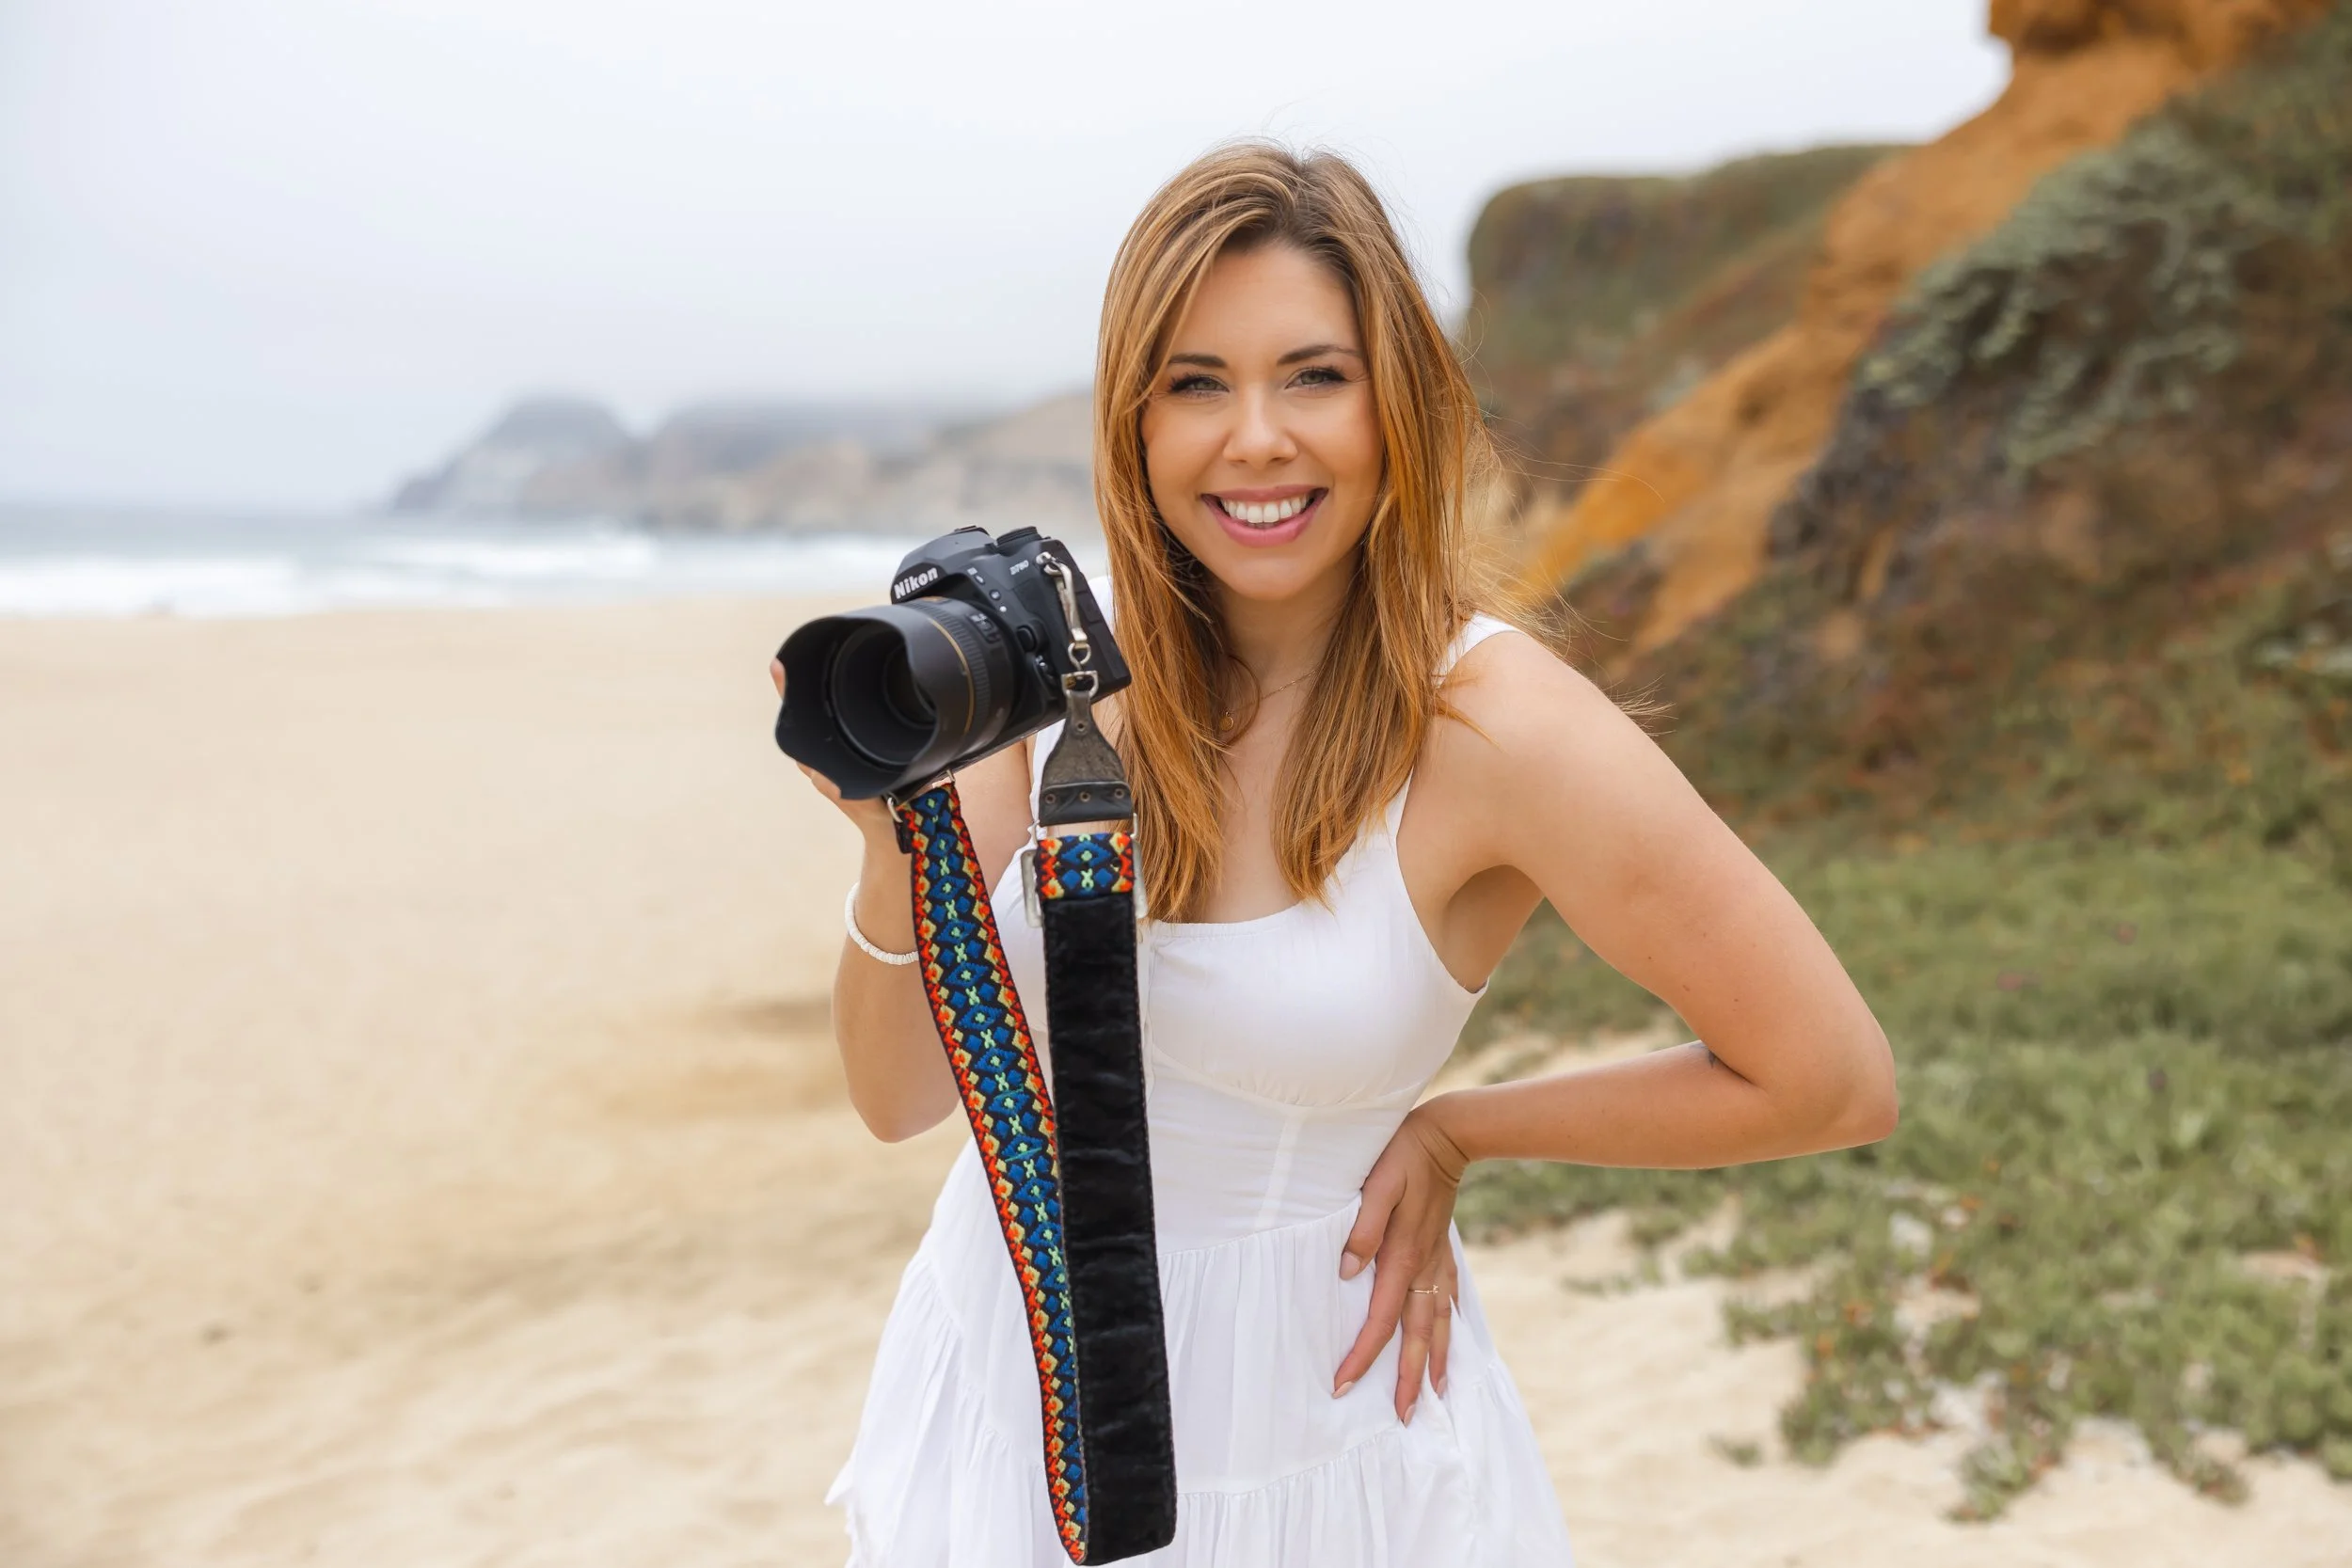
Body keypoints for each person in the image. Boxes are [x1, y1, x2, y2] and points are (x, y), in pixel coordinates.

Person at [775, 141, 1898, 1565]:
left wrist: (1465, 1128)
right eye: (1196, 382)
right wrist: (894, 852)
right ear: (1133, 423)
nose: (1256, 439)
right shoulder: (1056, 680)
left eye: (1315, 375)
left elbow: (1830, 1074)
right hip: (1010, 1398)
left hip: (1319, 1449)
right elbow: (896, 1095)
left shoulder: (1494, 726)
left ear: (1397, 406)